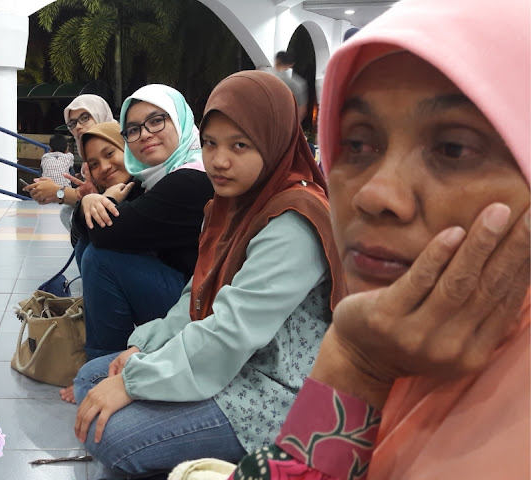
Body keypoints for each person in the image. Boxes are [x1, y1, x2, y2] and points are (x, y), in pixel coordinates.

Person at [229, 0, 530, 478]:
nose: (374, 194)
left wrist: (352, 360)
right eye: (357, 144)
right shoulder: (397, 343)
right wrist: (356, 360)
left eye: (453, 148)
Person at [71, 71, 346, 478]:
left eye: (240, 145)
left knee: (111, 434)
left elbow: (230, 332)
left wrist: (134, 383)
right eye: (211, 143)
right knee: (92, 377)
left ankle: (244, 452)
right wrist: (148, 347)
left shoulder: (294, 222)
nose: (219, 160)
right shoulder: (231, 205)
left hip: (276, 390)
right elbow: (198, 295)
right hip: (233, 364)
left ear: (274, 141)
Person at [60, 85, 215, 403]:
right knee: (89, 251)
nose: (145, 134)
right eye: (133, 129)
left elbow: (106, 233)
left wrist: (93, 200)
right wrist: (91, 201)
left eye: (157, 120)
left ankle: (104, 371)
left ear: (180, 120)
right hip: (185, 295)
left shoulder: (191, 180)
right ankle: (110, 359)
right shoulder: (153, 178)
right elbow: (89, 232)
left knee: (99, 258)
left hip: (203, 311)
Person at [24, 94, 115, 230]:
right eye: (72, 123)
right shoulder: (86, 164)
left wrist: (58, 193)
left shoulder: (120, 147)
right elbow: (88, 196)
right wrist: (57, 194)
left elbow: (111, 202)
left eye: (85, 118)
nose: (78, 126)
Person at [273, 51, 308, 122]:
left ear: (277, 61)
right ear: (291, 64)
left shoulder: (269, 79)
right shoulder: (299, 83)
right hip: (289, 123)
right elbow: (302, 110)